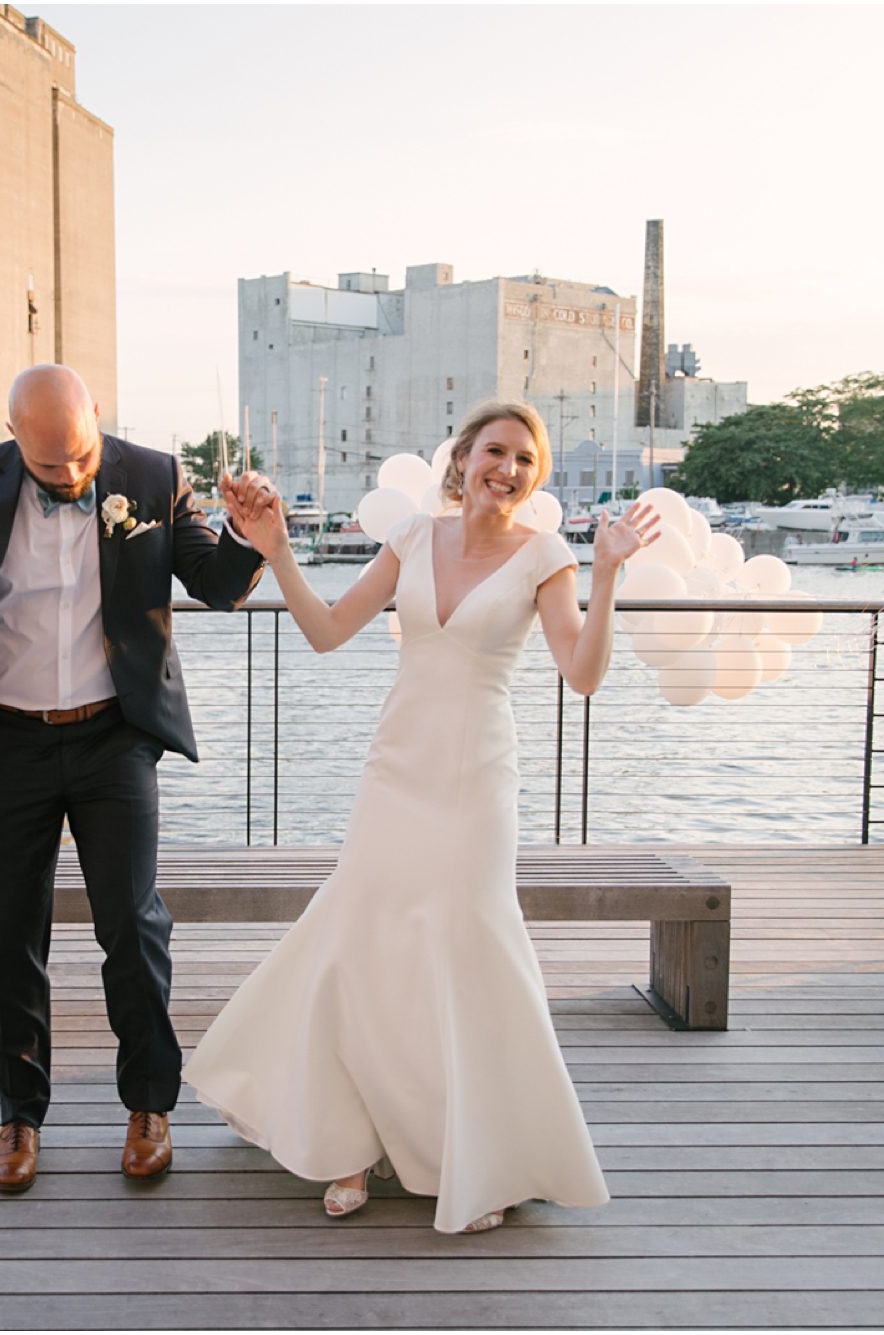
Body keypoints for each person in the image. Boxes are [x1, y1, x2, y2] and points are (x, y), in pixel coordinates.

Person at [183, 399, 661, 1234]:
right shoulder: (413, 536)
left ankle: (477, 1152)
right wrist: (281, 554)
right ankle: (347, 1141)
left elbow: (581, 674)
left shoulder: (547, 556)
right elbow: (330, 631)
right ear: (464, 456)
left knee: (469, 952)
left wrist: (610, 572)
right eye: (494, 451)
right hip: (395, 769)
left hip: (476, 780)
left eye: (523, 459)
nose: (506, 469)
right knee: (361, 942)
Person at [0, 364, 274, 1193]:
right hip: (3, 737)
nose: (74, 475)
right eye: (52, 466)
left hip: (112, 735)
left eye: (83, 455)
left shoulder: (154, 477)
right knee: (3, 928)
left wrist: (248, 535)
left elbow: (218, 584)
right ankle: (19, 1114)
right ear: (14, 435)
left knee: (131, 923)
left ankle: (149, 1104)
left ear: (98, 422)